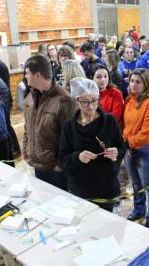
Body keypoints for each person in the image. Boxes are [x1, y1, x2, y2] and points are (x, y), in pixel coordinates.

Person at [58, 78, 125, 212]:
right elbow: (62, 158)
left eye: (94, 100)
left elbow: (121, 147)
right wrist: (78, 157)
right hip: (81, 188)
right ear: (77, 101)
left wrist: (116, 152)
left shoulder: (109, 121)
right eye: (85, 102)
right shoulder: (69, 126)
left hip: (106, 186)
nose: (90, 106)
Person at [23, 55, 77, 191]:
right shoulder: (30, 97)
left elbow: (71, 137)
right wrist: (26, 151)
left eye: (27, 73)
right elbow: (27, 127)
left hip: (55, 169)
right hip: (37, 164)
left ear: (38, 75)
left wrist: (60, 164)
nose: (25, 76)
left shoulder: (64, 100)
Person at [123, 68, 149, 230]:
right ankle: (139, 210)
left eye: (138, 81)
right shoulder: (130, 100)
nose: (134, 84)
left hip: (146, 150)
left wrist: (128, 143)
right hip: (130, 149)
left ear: (145, 83)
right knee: (136, 184)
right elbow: (126, 125)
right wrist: (126, 143)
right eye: (132, 81)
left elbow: (147, 133)